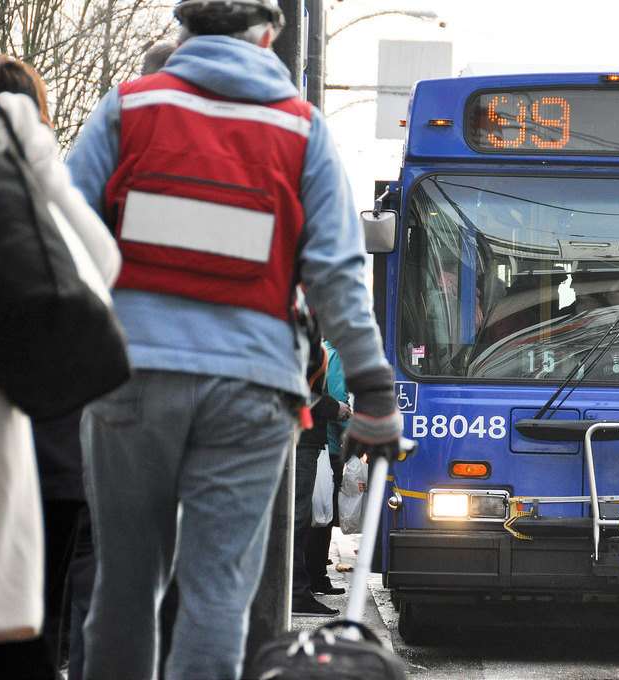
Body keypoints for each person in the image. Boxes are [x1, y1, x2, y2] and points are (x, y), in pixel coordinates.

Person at [65, 1, 403, 678]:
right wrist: (373, 389)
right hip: (252, 388)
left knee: (124, 589)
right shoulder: (300, 130)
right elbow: (336, 273)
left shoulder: (128, 108)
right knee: (218, 596)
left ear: (181, 34)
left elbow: (66, 230)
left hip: (132, 373)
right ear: (269, 37)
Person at [0, 56, 121, 680]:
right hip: (55, 447)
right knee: (33, 628)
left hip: (34, 449)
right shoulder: (37, 188)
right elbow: (104, 266)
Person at [291, 317, 349, 616]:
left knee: (303, 518)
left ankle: (303, 586)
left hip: (305, 437)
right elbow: (299, 386)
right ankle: (296, 594)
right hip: (303, 436)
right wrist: (334, 409)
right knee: (300, 519)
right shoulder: (308, 339)